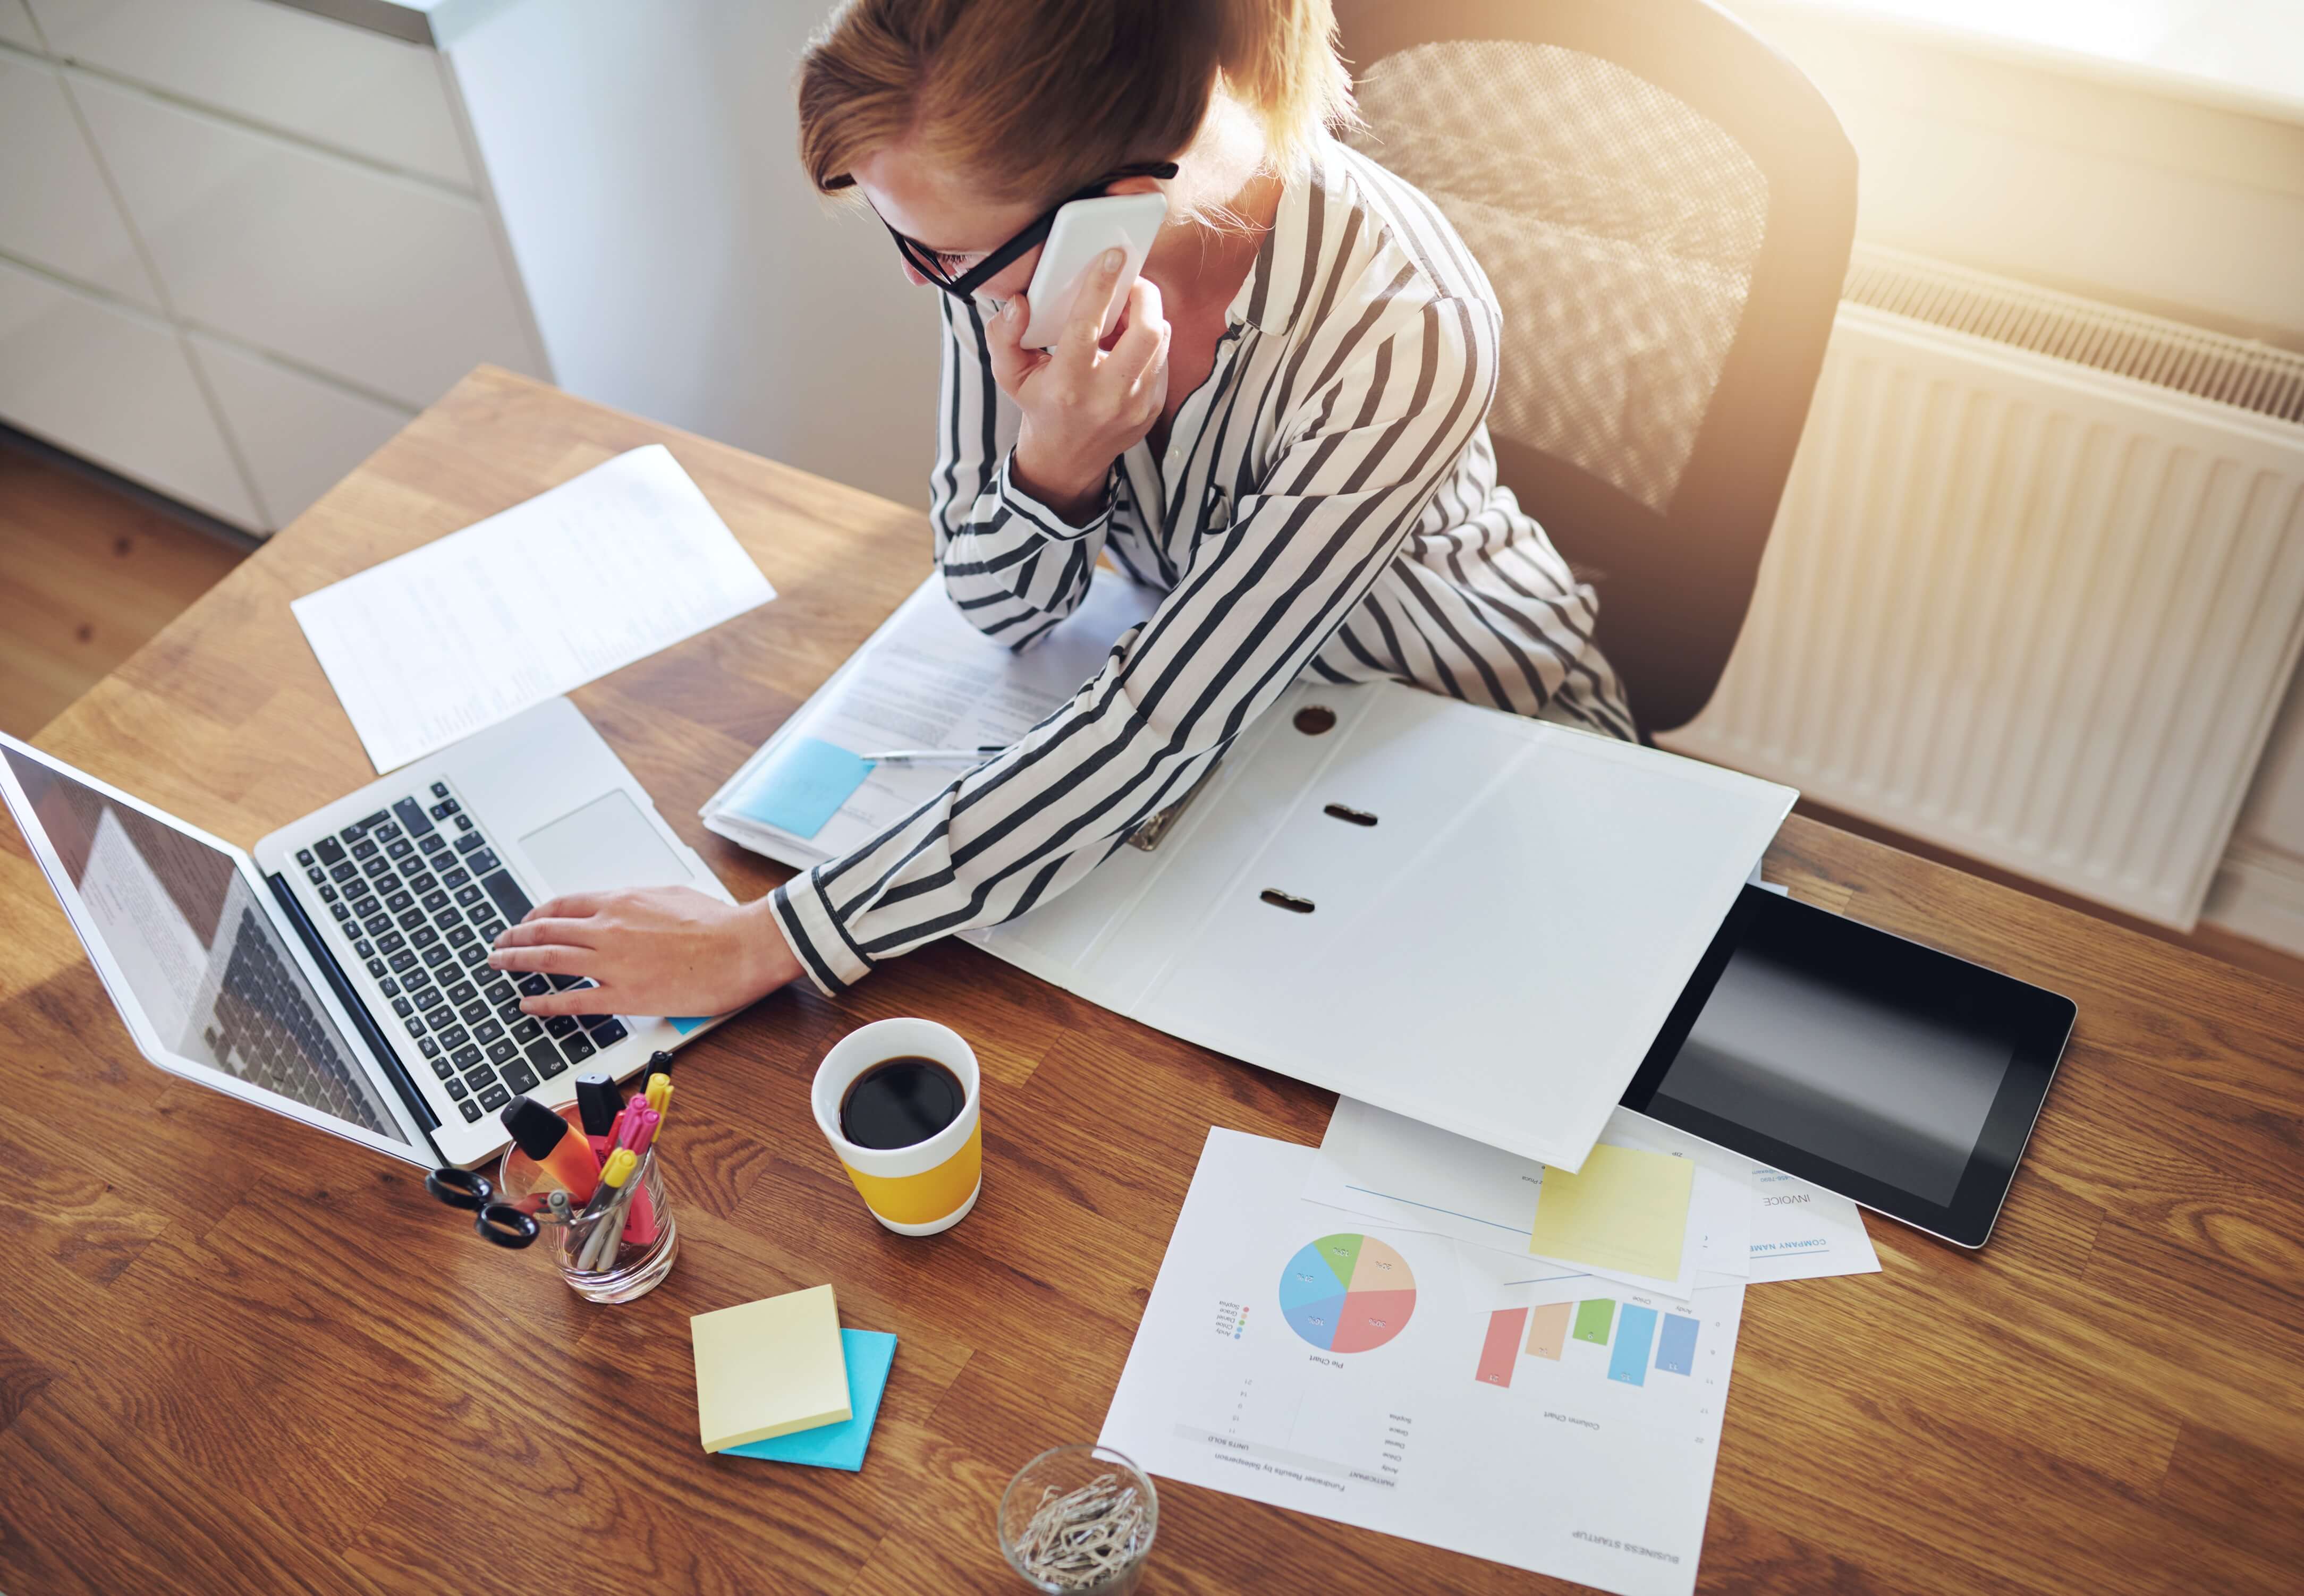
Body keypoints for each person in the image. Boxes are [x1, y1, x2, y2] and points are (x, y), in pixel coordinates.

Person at [490, 0, 1633, 1020]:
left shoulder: (1405, 325)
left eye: (943, 253)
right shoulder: (1020, 248)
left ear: (1122, 206)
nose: (923, 281)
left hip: (1465, 736)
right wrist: (1057, 462)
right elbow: (997, 606)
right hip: (1249, 745)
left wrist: (768, 940)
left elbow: (1153, 726)